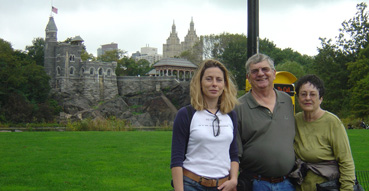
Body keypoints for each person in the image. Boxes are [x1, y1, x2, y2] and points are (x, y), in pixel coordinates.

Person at [171, 59, 239, 191]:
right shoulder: (186, 114)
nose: (214, 84)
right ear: (200, 83)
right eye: (209, 79)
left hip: (223, 185)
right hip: (192, 184)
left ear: (225, 85)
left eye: (219, 80)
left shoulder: (230, 115)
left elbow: (233, 154)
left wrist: (234, 180)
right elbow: (176, 159)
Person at [235, 53, 296, 191]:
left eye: (265, 69)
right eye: (254, 71)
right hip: (256, 183)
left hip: (287, 183)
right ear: (248, 77)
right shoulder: (238, 107)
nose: (260, 74)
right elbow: (234, 152)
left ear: (274, 73)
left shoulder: (286, 101)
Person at [293, 74, 356, 190]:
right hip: (300, 186)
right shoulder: (295, 121)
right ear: (298, 98)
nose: (307, 98)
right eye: (303, 94)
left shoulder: (332, 122)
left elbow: (346, 161)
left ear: (321, 98)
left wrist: (347, 188)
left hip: (326, 187)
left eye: (312, 94)